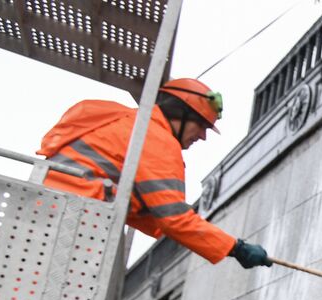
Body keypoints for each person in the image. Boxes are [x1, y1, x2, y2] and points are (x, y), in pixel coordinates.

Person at [37, 77, 272, 270]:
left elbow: (160, 216)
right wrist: (236, 248)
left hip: (54, 212)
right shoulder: (156, 139)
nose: (202, 136)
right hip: (74, 222)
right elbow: (174, 219)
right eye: (200, 125)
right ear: (180, 113)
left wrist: (191, 228)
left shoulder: (132, 123)